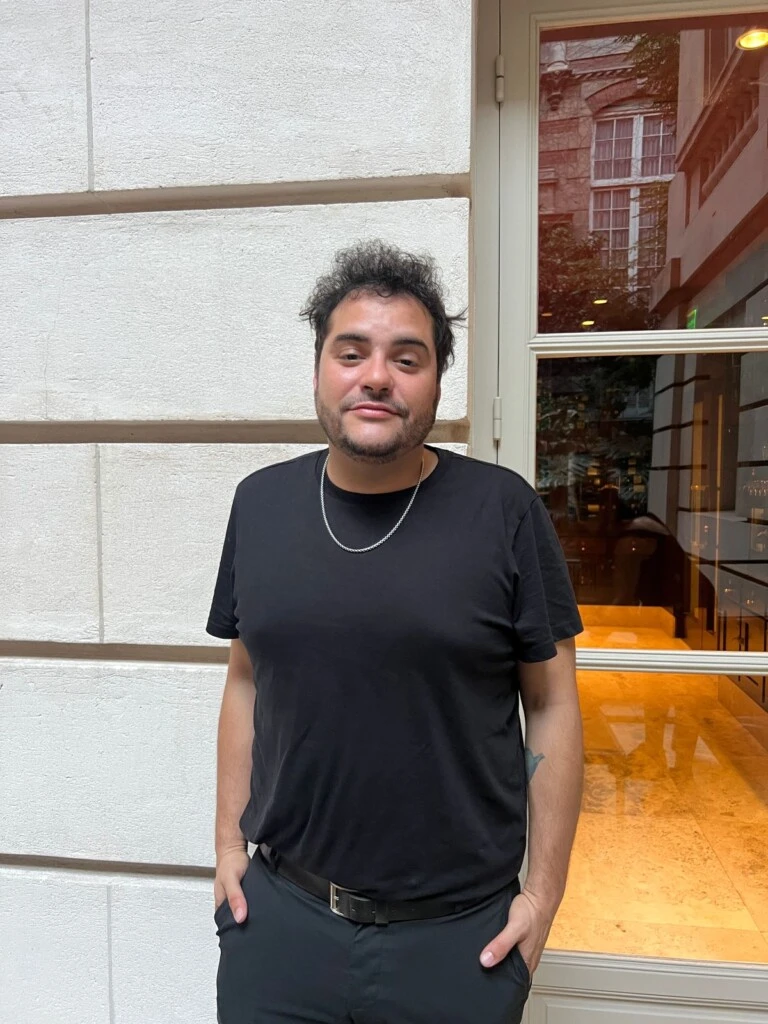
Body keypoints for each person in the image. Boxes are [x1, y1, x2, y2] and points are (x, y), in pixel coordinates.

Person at [207, 240, 584, 1024]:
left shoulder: (504, 512)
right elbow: (245, 680)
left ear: (438, 380)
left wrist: (544, 895)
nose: (376, 376)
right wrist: (227, 851)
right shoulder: (260, 506)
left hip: (458, 943)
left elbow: (552, 705)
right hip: (281, 926)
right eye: (352, 353)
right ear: (320, 368)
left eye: (406, 358)